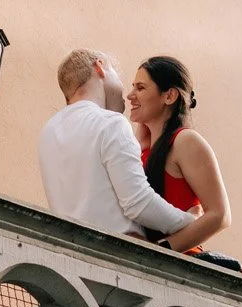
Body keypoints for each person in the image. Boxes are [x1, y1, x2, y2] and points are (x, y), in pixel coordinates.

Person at [38, 49, 198, 242]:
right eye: (119, 76)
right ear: (100, 67)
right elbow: (139, 203)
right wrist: (190, 221)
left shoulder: (49, 131)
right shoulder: (110, 123)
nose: (127, 94)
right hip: (118, 254)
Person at [126, 56, 233, 260]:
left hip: (178, 264)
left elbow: (220, 215)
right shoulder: (144, 148)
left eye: (140, 88)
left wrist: (162, 249)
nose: (130, 95)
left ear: (169, 96)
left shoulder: (185, 142)